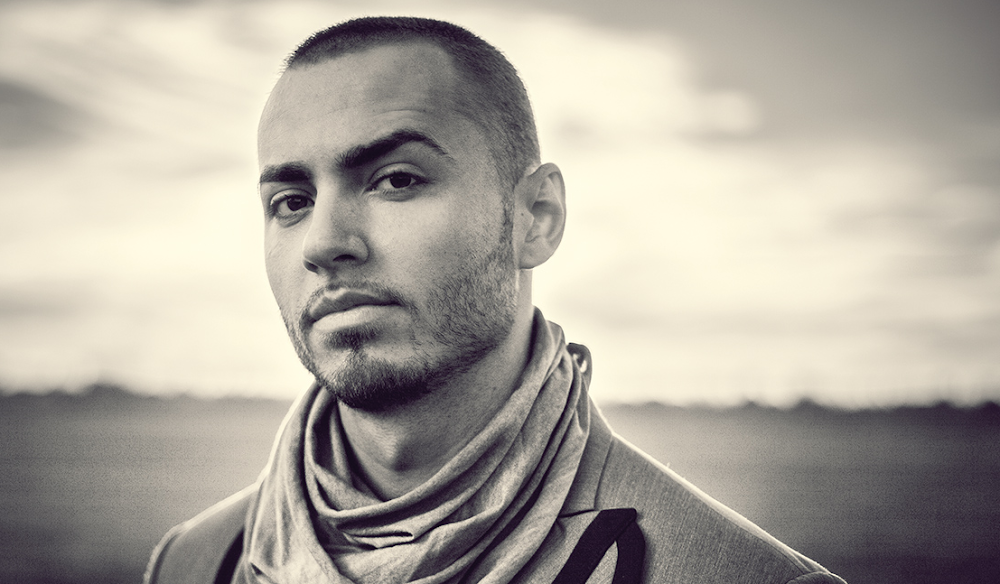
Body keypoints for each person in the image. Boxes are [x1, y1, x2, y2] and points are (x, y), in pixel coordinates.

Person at [144, 16, 847, 584]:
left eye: (396, 180)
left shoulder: (733, 576)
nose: (323, 242)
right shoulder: (195, 564)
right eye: (292, 201)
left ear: (536, 217)